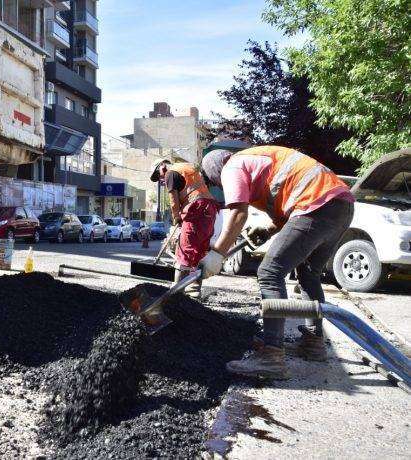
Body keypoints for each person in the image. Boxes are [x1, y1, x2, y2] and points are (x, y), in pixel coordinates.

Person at [199, 146, 355, 379]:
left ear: (215, 173)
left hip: (317, 204)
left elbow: (238, 213)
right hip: (340, 205)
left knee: (270, 272)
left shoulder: (232, 166)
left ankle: (272, 355)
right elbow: (284, 214)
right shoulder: (256, 163)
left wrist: (218, 253)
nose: (222, 188)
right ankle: (313, 344)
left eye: (218, 184)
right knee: (308, 273)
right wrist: (267, 230)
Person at [150, 159, 220, 296]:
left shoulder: (170, 173)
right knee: (199, 249)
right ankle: (194, 287)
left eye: (158, 176)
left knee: (185, 249)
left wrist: (176, 217)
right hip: (209, 208)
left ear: (162, 166)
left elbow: (173, 200)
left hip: (196, 208)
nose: (161, 179)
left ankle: (177, 291)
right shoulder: (187, 167)